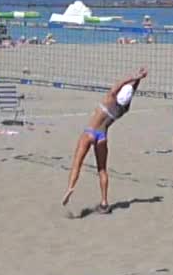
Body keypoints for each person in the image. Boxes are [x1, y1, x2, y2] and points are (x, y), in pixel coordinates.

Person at [62, 68, 147, 213]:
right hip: (102, 136)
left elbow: (118, 84)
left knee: (77, 163)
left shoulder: (110, 98)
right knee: (102, 170)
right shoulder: (123, 109)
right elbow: (128, 94)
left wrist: (134, 76)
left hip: (89, 132)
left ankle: (70, 187)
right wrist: (138, 81)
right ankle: (104, 202)